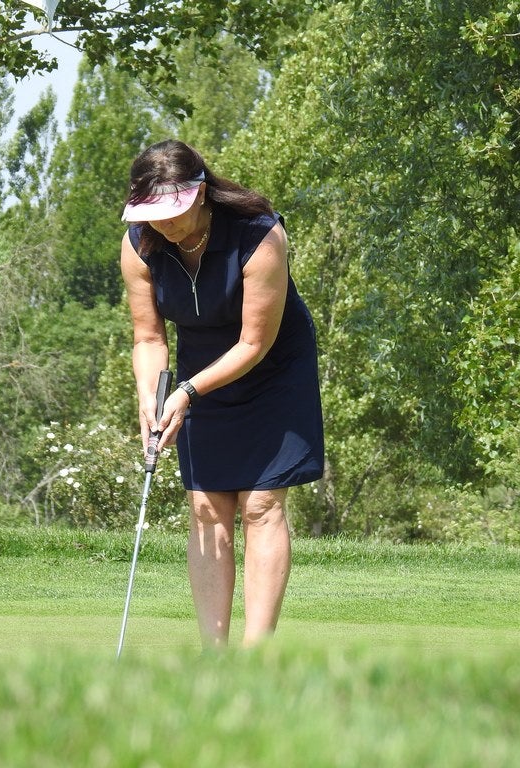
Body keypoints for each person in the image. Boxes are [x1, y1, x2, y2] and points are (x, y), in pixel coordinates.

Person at [119, 139, 324, 649]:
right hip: (198, 369)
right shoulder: (140, 243)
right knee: (207, 508)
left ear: (202, 193)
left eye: (174, 212)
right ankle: (214, 656)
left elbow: (254, 343)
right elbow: (148, 337)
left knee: (261, 505)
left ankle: (255, 658)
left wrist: (187, 391)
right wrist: (151, 395)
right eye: (153, 215)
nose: (163, 225)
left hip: (271, 369)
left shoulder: (259, 236)